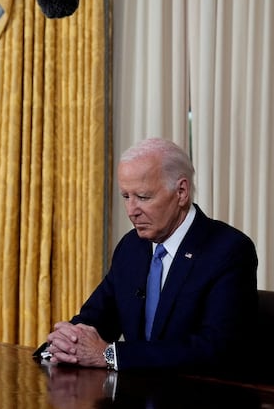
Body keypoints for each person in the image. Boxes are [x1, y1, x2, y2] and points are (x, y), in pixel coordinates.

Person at [39, 138, 258, 376]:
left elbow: (214, 348)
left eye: (143, 197)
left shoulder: (229, 249)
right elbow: (96, 318)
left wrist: (110, 355)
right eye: (126, 196)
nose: (131, 210)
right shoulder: (131, 246)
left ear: (181, 192)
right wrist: (61, 345)